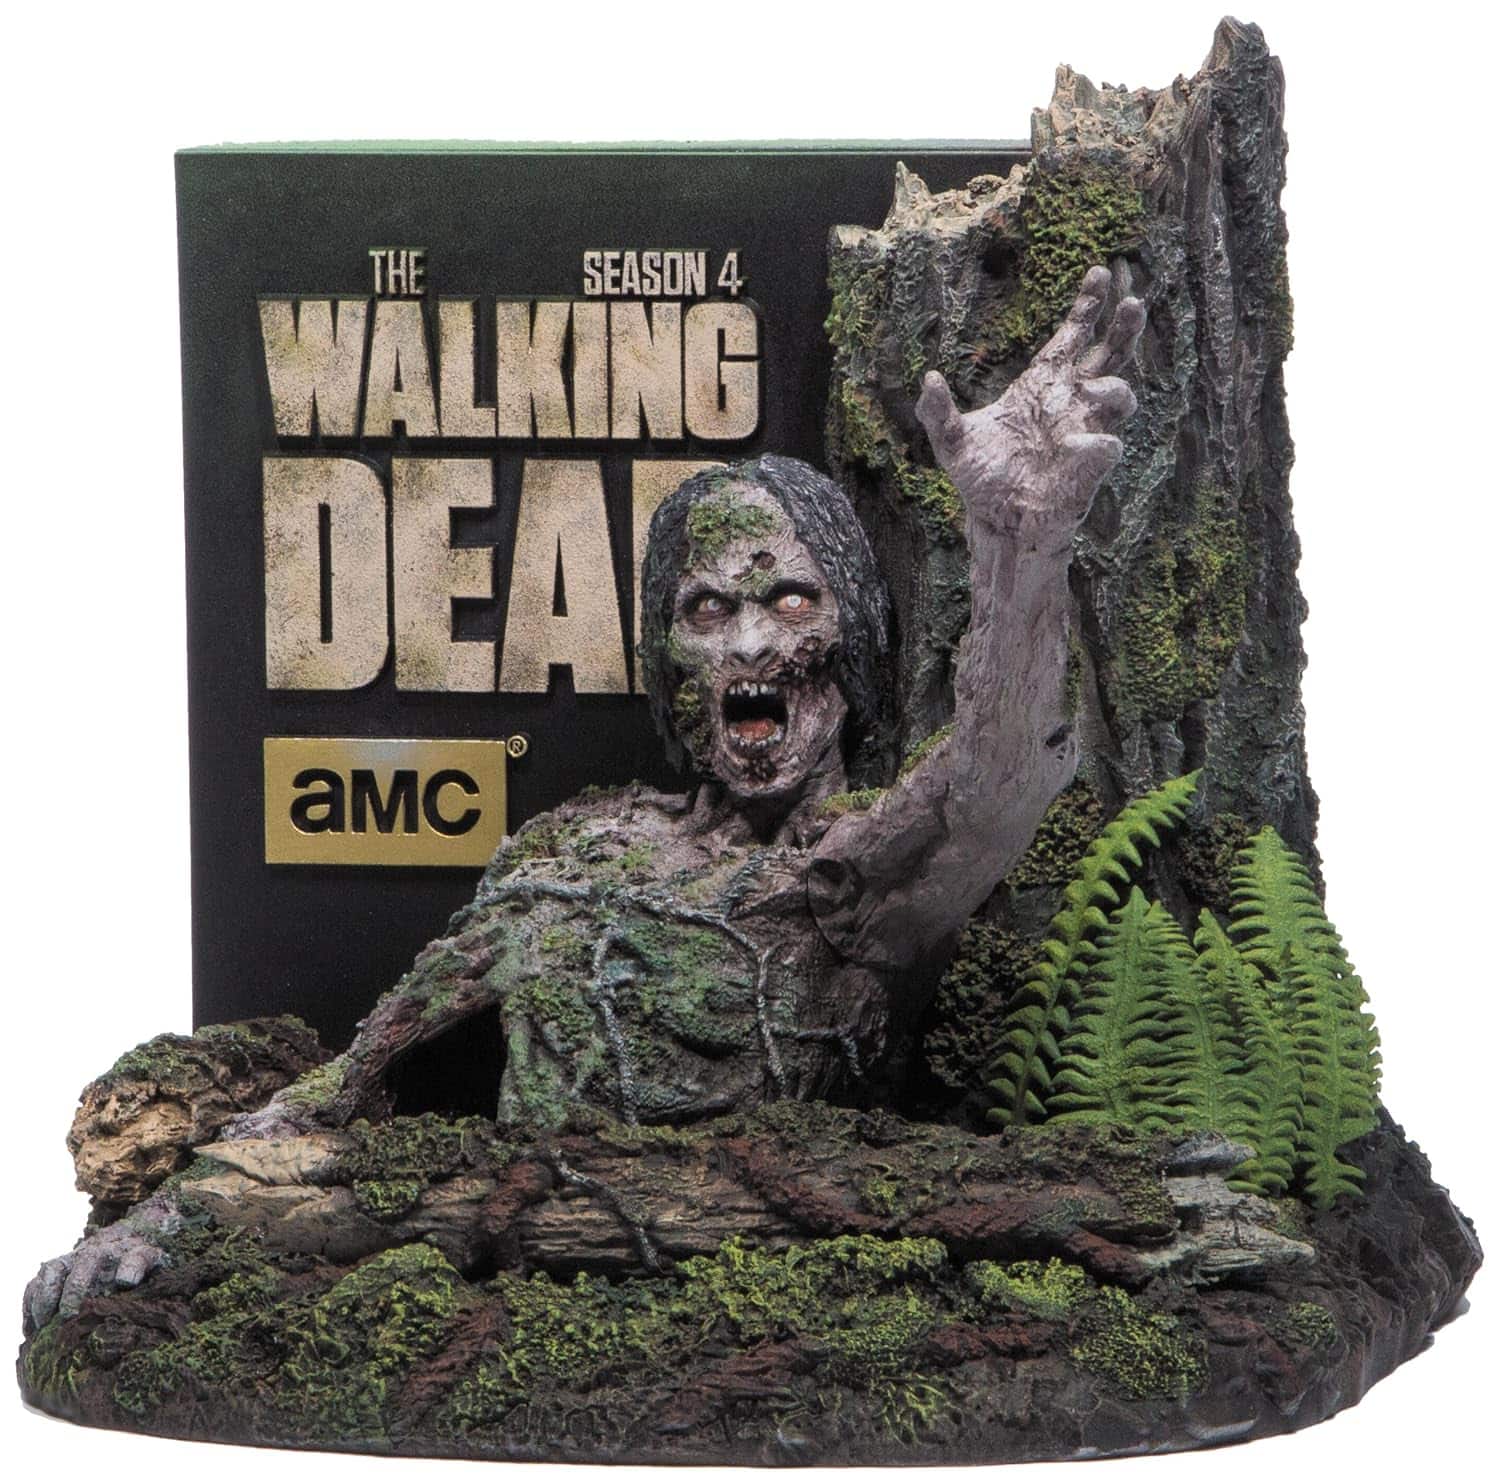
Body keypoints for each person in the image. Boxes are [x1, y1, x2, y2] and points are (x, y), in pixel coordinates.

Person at [26, 266, 1142, 1327]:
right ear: (667, 659)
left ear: (852, 638)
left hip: (747, 1292)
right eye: (707, 610)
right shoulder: (580, 845)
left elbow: (995, 779)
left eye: (792, 600)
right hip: (516, 1278)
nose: (750, 642)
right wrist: (175, 1212)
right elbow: (356, 1076)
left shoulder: (857, 871)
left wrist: (1020, 551)